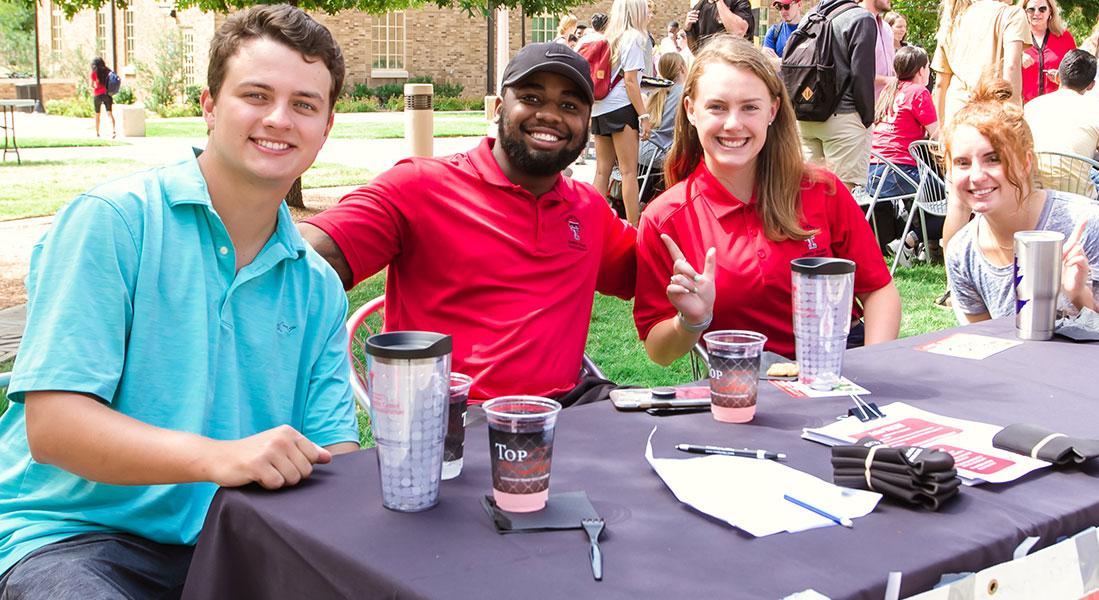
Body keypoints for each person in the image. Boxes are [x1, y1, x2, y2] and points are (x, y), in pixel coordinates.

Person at [0, 6, 360, 597]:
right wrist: (219, 457)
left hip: (239, 541)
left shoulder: (317, 286)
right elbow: (54, 428)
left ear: (325, 128)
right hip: (72, 538)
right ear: (209, 107)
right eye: (256, 94)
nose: (278, 118)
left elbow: (335, 454)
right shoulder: (114, 224)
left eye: (304, 104)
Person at [299, 42, 636, 405]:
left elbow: (658, 268)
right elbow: (302, 259)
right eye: (532, 98)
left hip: (565, 409)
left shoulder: (589, 210)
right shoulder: (420, 187)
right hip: (452, 415)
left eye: (569, 106)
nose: (551, 115)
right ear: (497, 108)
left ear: (586, 123)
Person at [634, 36, 901, 365]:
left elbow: (878, 290)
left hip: (842, 368)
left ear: (772, 110)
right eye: (717, 107)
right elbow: (658, 351)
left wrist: (872, 368)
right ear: (690, 110)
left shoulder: (822, 190)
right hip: (745, 388)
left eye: (750, 107)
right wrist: (691, 321)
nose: (734, 124)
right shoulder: (664, 218)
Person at [942, 79, 1099, 332]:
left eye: (993, 159)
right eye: (962, 163)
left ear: (1025, 163)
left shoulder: (1086, 225)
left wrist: (1078, 294)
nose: (976, 175)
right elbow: (987, 340)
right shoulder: (962, 253)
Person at [932, 0, 1031, 262]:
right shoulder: (1011, 14)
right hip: (993, 118)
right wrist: (1013, 115)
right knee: (1011, 195)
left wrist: (941, 129)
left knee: (958, 204)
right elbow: (1011, 67)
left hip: (958, 120)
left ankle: (953, 283)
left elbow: (941, 83)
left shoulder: (955, 17)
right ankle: (1010, 270)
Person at [1024, 48, 1099, 208]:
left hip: (1033, 199)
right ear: (1091, 85)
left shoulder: (1030, 107)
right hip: (1079, 204)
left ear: (1057, 77)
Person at [796, 0, 877, 190]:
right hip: (843, 119)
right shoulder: (861, 18)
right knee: (838, 199)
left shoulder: (810, 17)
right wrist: (867, 119)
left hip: (805, 118)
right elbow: (862, 75)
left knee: (808, 197)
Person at [869, 45, 940, 251]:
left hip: (872, 173)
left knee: (932, 189)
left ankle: (921, 246)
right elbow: (937, 136)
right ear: (921, 70)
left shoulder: (888, 91)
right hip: (898, 173)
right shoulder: (919, 92)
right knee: (948, 195)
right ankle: (910, 242)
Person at [591, 0, 653, 225]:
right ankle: (635, 230)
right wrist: (644, 116)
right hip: (621, 108)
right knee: (628, 172)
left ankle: (593, 223)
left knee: (601, 171)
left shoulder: (608, 37)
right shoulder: (634, 37)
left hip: (600, 108)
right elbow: (630, 82)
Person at [638, 51, 687, 204]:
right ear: (682, 69)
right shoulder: (684, 91)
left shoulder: (655, 90)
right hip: (661, 161)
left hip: (641, 156)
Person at [1020, 0, 1076, 104]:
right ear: (1024, 12)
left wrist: (1061, 77)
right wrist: (1017, 57)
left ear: (1050, 11)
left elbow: (1076, 71)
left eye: (1042, 9)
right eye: (1031, 9)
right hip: (1024, 107)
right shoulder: (1017, 38)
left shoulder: (1064, 37)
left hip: (1057, 105)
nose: (1036, 13)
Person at [684, 0, 754, 53]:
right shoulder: (698, 7)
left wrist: (719, 1)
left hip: (736, 65)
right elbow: (695, 51)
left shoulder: (738, 2)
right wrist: (688, 30)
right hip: (709, 65)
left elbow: (738, 32)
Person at [859, 0, 896, 99]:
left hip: (885, 104)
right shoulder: (855, 24)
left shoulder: (887, 28)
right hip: (860, 106)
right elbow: (855, 70)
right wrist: (889, 80)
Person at [761, 0, 803, 71]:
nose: (783, 11)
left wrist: (779, 62)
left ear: (799, 5)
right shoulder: (774, 31)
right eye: (779, 7)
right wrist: (794, 62)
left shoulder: (811, 31)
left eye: (787, 6)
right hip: (778, 81)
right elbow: (765, 63)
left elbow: (810, 63)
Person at [89, 57, 117, 138]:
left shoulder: (93, 72)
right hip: (107, 93)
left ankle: (97, 133)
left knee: (97, 114)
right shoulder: (107, 71)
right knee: (109, 113)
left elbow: (91, 84)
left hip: (97, 94)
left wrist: (95, 88)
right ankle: (113, 131)